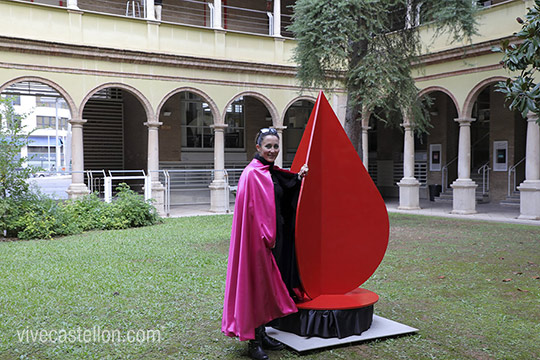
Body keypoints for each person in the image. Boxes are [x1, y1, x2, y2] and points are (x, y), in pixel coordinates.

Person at [222, 128, 308, 360]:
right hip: (257, 242)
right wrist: (265, 238)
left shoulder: (268, 172)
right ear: (258, 147)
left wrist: (298, 178)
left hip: (273, 240)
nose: (272, 150)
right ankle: (254, 342)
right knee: (255, 287)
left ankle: (262, 331)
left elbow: (282, 190)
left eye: (276, 146)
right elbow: (252, 213)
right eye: (268, 146)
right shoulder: (251, 175)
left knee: (266, 287)